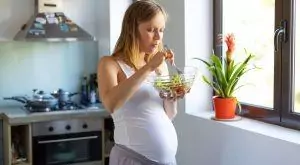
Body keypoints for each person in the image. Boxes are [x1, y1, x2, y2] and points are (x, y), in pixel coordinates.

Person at [97, 0, 186, 164]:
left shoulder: (160, 66)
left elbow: (168, 115)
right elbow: (111, 104)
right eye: (151, 30)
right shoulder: (109, 64)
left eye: (161, 30)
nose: (158, 37)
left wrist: (172, 97)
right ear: (132, 30)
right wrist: (149, 68)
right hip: (131, 158)